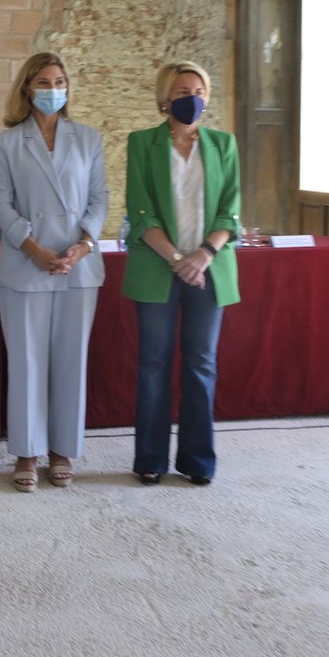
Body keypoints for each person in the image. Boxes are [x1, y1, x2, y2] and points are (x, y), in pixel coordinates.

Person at [0, 53, 108, 492]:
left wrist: (83, 244)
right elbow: (0, 203)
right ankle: (26, 452)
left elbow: (100, 198)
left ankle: (61, 451)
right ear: (27, 88)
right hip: (26, 263)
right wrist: (34, 247)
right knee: (27, 361)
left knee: (70, 361)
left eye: (60, 81)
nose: (53, 88)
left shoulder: (88, 139)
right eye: (44, 81)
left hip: (79, 267)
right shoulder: (8, 143)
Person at [124, 60, 240, 486]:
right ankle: (151, 459)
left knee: (201, 364)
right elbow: (141, 212)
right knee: (153, 363)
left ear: (206, 98)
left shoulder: (224, 145)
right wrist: (178, 260)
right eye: (180, 91)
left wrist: (204, 255)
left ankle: (197, 461)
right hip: (158, 266)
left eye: (197, 90)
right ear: (164, 99)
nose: (189, 98)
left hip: (210, 269)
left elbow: (232, 210)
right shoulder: (142, 143)